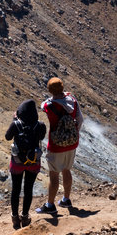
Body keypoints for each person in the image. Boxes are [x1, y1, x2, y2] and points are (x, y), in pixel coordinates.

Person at [36, 77, 83, 213]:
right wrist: (73, 135)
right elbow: (80, 120)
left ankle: (50, 205)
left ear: (50, 90)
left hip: (56, 145)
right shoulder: (73, 101)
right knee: (67, 170)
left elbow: (42, 104)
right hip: (72, 143)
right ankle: (66, 199)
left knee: (54, 174)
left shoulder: (49, 105)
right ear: (63, 88)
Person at [5, 99, 46, 228]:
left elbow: (7, 137)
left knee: (16, 189)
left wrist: (14, 121)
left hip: (17, 161)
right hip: (33, 161)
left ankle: (15, 218)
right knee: (29, 189)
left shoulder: (16, 124)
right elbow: (42, 137)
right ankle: (25, 216)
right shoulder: (40, 125)